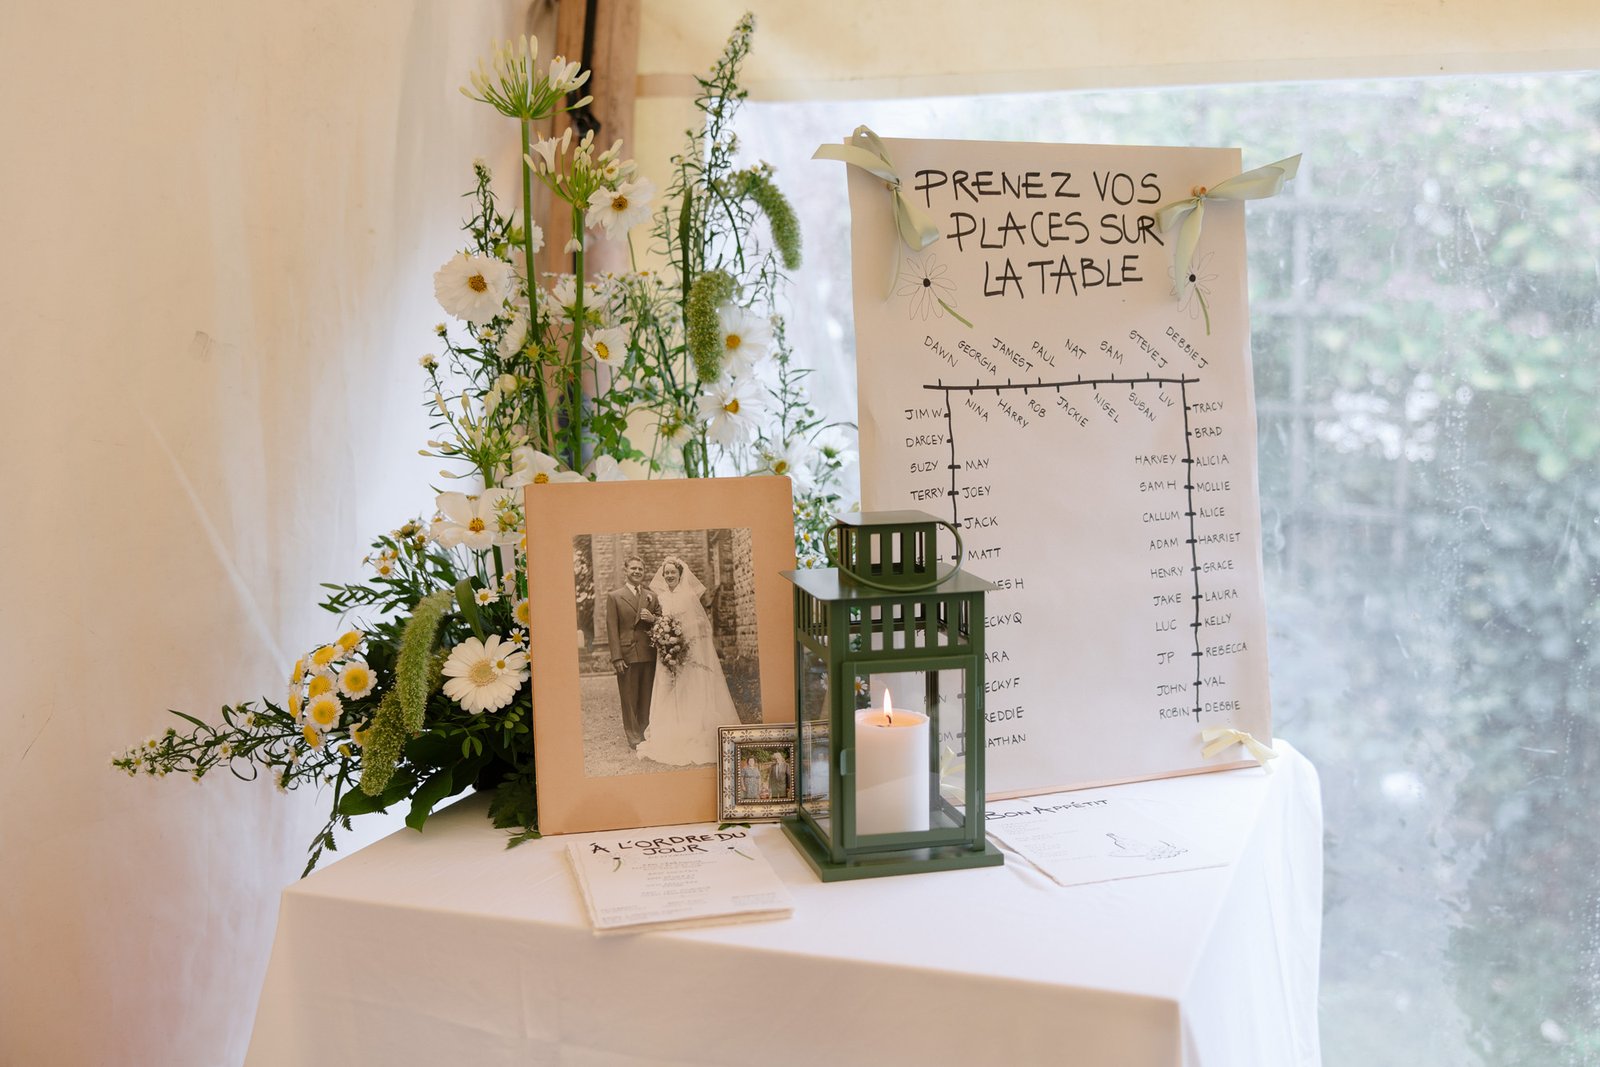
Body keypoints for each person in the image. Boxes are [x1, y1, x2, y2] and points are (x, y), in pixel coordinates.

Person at [635, 556, 741, 766]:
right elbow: (660, 621)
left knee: (687, 688)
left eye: (672, 572)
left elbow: (696, 624)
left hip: (685, 652)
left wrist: (677, 638)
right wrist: (660, 629)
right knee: (667, 688)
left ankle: (690, 728)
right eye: (666, 573)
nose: (669, 576)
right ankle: (670, 730)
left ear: (680, 574)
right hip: (665, 651)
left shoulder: (688, 596)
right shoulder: (660, 597)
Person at [605, 555, 658, 749]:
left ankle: (644, 732)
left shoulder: (652, 596)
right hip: (627, 653)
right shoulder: (615, 597)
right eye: (633, 568)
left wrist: (653, 618)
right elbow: (612, 629)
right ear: (625, 571)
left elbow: (662, 621)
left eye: (640, 569)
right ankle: (634, 736)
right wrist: (616, 657)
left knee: (647, 695)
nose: (637, 572)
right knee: (629, 697)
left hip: (648, 652)